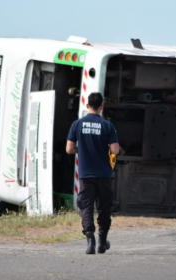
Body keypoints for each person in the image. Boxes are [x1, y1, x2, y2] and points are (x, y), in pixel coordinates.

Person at [66, 92, 119, 254]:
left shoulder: (77, 124)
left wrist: (81, 150)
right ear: (101, 107)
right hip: (104, 174)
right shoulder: (108, 125)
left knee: (86, 206)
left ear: (87, 106)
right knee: (104, 207)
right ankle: (102, 242)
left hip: (85, 174)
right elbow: (115, 150)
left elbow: (69, 149)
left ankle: (90, 241)